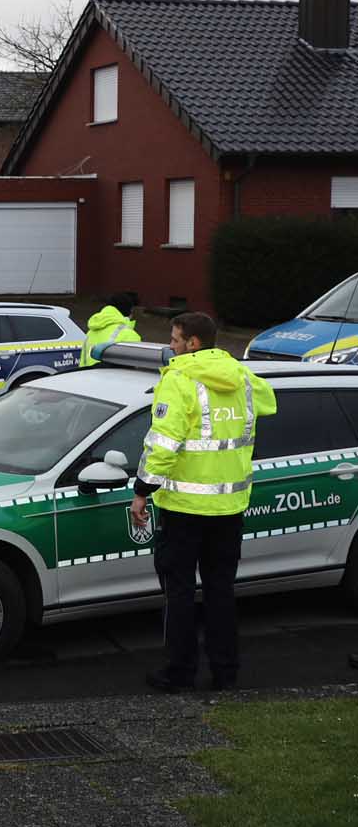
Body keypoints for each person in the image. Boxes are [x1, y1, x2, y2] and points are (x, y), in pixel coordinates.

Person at [131, 312, 276, 692]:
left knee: (178, 593)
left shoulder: (178, 380)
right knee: (220, 592)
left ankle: (179, 672)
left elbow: (163, 442)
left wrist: (143, 489)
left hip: (183, 509)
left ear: (193, 343)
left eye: (176, 340)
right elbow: (269, 402)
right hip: (229, 508)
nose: (171, 347)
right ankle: (225, 671)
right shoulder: (242, 376)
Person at [80, 293, 142, 367]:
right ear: (128, 311)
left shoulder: (92, 331)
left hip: (84, 375)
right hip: (108, 377)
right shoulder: (129, 335)